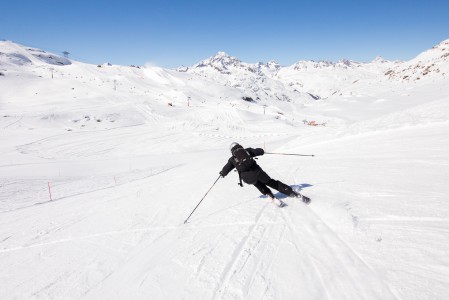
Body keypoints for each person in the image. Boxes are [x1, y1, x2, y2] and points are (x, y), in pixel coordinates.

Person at [219, 142, 310, 205]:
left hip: (247, 178)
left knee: (257, 184)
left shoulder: (232, 159)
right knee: (271, 182)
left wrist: (222, 173)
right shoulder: (247, 150)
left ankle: (270, 196)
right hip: (258, 172)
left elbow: (226, 169)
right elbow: (259, 151)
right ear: (239, 146)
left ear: (231, 150)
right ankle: (291, 193)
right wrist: (262, 151)